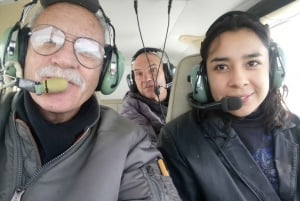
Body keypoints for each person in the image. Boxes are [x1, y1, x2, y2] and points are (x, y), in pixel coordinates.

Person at [0, 1, 181, 201]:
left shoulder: (129, 143)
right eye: (48, 39)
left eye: (87, 50)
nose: (65, 60)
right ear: (21, 52)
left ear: (104, 74)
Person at [157, 10, 300, 201]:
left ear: (273, 69)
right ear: (204, 80)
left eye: (252, 63)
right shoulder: (178, 140)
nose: (239, 81)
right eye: (221, 67)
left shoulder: (295, 127)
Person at [119, 47, 175, 144]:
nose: (146, 78)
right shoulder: (129, 112)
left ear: (167, 74)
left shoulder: (180, 97)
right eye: (139, 73)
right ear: (133, 81)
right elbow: (147, 152)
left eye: (152, 70)